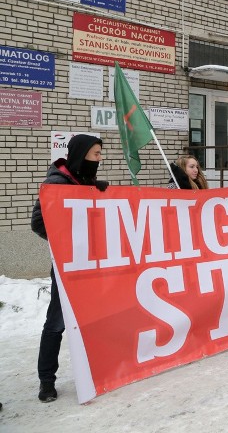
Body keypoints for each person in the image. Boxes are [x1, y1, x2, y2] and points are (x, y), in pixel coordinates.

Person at [31, 134, 108, 403]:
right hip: (67, 267)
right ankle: (46, 381)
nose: (99, 159)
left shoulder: (83, 180)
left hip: (91, 263)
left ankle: (95, 371)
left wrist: (96, 194)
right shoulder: (56, 183)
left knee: (95, 319)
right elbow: (39, 223)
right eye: (96, 154)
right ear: (81, 154)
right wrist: (68, 243)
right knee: (57, 322)